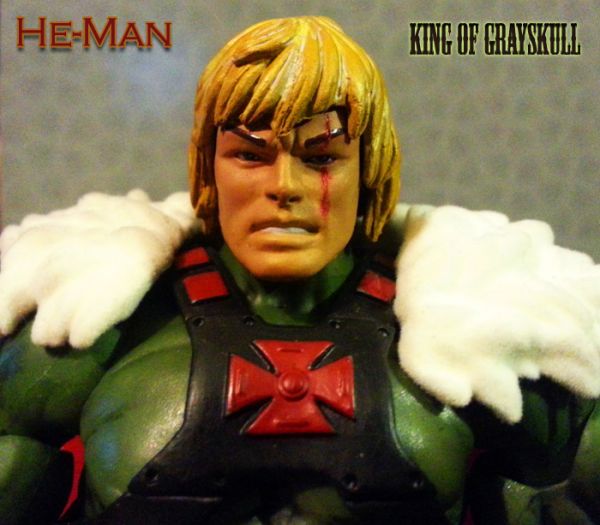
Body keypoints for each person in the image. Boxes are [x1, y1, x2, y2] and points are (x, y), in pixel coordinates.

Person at [0, 16, 598, 525]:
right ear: (209, 164)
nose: (283, 186)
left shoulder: (485, 322)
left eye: (320, 156)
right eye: (249, 154)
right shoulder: (88, 316)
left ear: (369, 169)